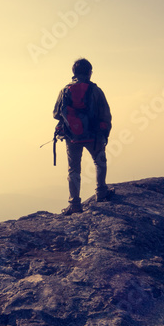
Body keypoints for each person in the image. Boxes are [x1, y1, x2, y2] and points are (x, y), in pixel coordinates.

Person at [53, 58, 112, 215]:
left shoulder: (65, 90)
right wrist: (105, 133)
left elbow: (56, 113)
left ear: (74, 72)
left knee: (74, 170)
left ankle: (75, 204)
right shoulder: (96, 91)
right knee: (100, 162)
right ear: (90, 73)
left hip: (72, 136)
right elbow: (105, 114)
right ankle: (101, 193)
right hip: (94, 136)